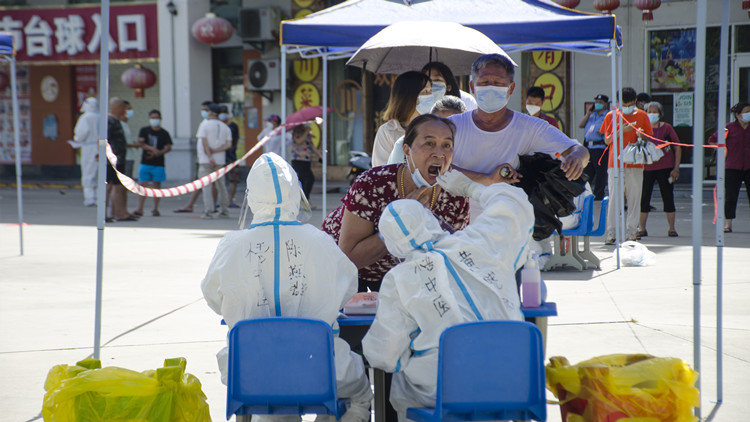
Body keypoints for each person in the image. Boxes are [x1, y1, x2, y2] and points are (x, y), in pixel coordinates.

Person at [201, 153, 372, 422]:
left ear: (252, 195)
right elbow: (348, 286)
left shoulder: (231, 245)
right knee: (357, 395)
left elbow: (213, 297)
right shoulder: (320, 241)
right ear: (296, 191)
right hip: (320, 365)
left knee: (270, 408)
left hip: (250, 369)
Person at [362, 170, 534, 422]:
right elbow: (513, 204)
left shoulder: (400, 279)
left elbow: (383, 355)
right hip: (515, 381)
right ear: (430, 219)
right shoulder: (480, 242)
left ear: (393, 246)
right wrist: (470, 188)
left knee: (403, 383)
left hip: (444, 395)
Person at [323, 115, 469, 292]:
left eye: (447, 145)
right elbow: (348, 258)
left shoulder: (455, 194)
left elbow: (452, 258)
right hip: (347, 274)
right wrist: (399, 224)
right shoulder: (372, 184)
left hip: (403, 278)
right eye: (429, 143)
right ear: (406, 150)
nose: (439, 153)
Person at [447, 54, 588, 215]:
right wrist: (487, 178)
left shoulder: (531, 128)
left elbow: (578, 150)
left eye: (499, 83)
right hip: (458, 226)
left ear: (511, 88)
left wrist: (576, 159)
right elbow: (436, 168)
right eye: (484, 82)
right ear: (472, 87)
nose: (491, 87)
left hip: (508, 226)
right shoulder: (451, 126)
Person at [599, 87, 653, 244]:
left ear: (635, 101)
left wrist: (640, 134)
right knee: (615, 198)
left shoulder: (642, 115)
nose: (627, 106)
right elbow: (607, 140)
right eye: (624, 103)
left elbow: (648, 138)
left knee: (635, 198)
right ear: (617, 102)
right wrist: (620, 130)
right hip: (615, 163)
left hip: (635, 163)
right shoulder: (611, 116)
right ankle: (611, 232)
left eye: (630, 103)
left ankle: (632, 231)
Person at [639, 101, 681, 237]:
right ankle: (642, 228)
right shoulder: (641, 128)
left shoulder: (667, 128)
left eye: (654, 112)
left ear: (660, 114)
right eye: (649, 112)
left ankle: (672, 228)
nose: (652, 114)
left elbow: (677, 147)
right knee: (644, 197)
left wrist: (676, 168)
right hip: (646, 168)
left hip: (665, 167)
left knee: (668, 197)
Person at [371, 71, 432, 166]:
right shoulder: (387, 131)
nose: (430, 96)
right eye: (424, 92)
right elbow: (380, 170)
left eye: (430, 91)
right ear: (409, 96)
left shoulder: (434, 127)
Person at [387, 95, 467, 165]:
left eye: (451, 125)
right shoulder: (404, 144)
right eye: (439, 123)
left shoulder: (471, 148)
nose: (444, 130)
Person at [708, 101, 750, 233]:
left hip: (749, 166)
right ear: (738, 115)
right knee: (731, 196)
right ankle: (728, 223)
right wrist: (722, 149)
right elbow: (712, 139)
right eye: (746, 112)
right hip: (732, 166)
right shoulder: (729, 128)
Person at [175, 100, 213, 213]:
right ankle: (194, 205)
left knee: (205, 183)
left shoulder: (208, 124)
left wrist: (209, 157)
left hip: (208, 159)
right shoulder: (204, 122)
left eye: (206, 109)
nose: (203, 112)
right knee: (204, 182)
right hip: (203, 157)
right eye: (202, 109)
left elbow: (207, 142)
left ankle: (210, 208)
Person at [196, 103, 232, 219]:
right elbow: (228, 144)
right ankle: (224, 210)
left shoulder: (204, 125)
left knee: (206, 186)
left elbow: (204, 142)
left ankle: (209, 211)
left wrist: (210, 156)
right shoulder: (225, 127)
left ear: (210, 112)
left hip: (206, 160)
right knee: (221, 185)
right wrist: (217, 151)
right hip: (220, 160)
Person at [134, 109, 172, 217]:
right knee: (142, 185)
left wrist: (159, 153)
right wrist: (152, 149)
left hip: (158, 163)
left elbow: (168, 147)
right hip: (145, 162)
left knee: (157, 186)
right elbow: (141, 143)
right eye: (153, 118)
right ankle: (139, 208)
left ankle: (155, 208)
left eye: (157, 118)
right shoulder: (144, 130)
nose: (155, 120)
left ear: (160, 119)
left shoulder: (164, 133)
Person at [105, 97, 137, 222]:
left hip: (120, 159)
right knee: (111, 186)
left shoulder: (116, 121)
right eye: (123, 107)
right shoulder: (109, 121)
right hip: (112, 160)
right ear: (118, 107)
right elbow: (104, 140)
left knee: (119, 186)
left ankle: (118, 213)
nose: (125, 110)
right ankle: (108, 213)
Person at [579, 94, 611, 200]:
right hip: (589, 147)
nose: (598, 104)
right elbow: (581, 125)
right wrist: (588, 113)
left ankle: (599, 194)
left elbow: (611, 129)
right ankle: (586, 193)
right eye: (596, 102)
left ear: (606, 104)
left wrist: (605, 131)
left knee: (600, 173)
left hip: (600, 146)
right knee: (588, 172)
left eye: (600, 102)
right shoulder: (592, 115)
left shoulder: (608, 115)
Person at [73, 97, 99, 206]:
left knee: (88, 172)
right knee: (99, 173)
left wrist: (77, 139)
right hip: (101, 147)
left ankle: (89, 198)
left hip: (89, 148)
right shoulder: (102, 116)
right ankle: (100, 198)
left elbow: (80, 134)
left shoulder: (85, 118)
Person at [290, 124, 323, 202]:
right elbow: (299, 141)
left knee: (304, 179)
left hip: (307, 160)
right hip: (298, 160)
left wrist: (320, 155)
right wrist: (306, 131)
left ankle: (303, 198)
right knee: (309, 178)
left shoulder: (306, 133)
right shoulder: (296, 132)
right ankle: (305, 199)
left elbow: (311, 145)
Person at [218, 105, 241, 208]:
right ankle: (220, 200)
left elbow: (235, 140)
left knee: (233, 179)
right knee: (219, 180)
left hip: (231, 156)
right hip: (219, 156)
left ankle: (230, 201)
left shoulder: (233, 126)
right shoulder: (217, 125)